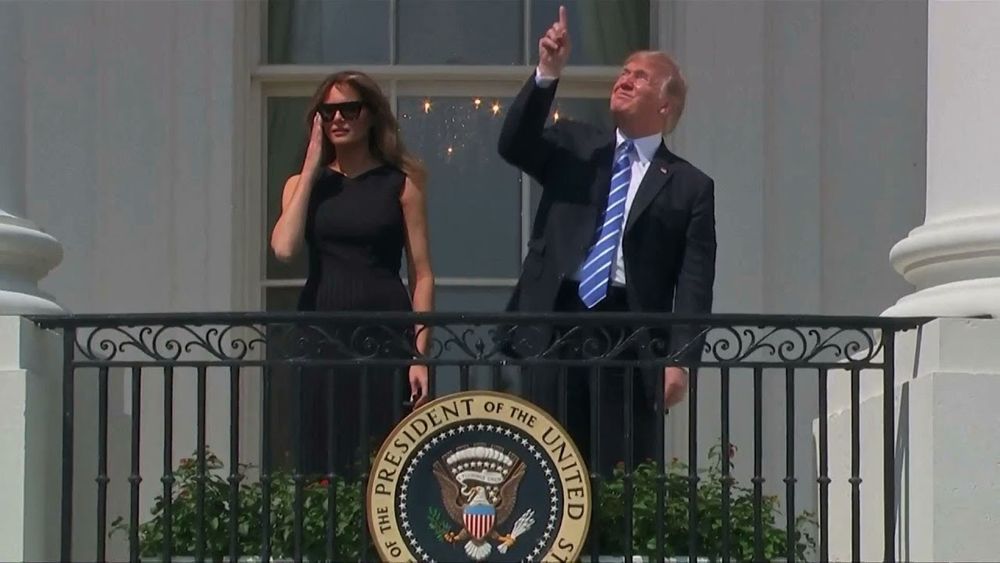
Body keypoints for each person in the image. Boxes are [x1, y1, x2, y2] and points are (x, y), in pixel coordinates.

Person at [497, 6, 717, 473]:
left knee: (617, 468)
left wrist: (680, 361)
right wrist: (546, 73)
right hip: (555, 317)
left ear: (665, 105)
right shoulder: (576, 145)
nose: (625, 79)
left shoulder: (689, 186)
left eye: (640, 77)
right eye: (623, 72)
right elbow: (514, 144)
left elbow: (694, 282)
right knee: (544, 465)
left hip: (627, 333)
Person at [270, 71, 433, 477]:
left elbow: (422, 274)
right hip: (322, 330)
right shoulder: (301, 185)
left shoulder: (401, 184)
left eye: (349, 109)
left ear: (370, 116)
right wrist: (310, 168)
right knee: (321, 453)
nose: (338, 118)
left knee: (387, 458)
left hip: (385, 333)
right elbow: (284, 249)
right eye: (328, 111)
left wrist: (419, 355)